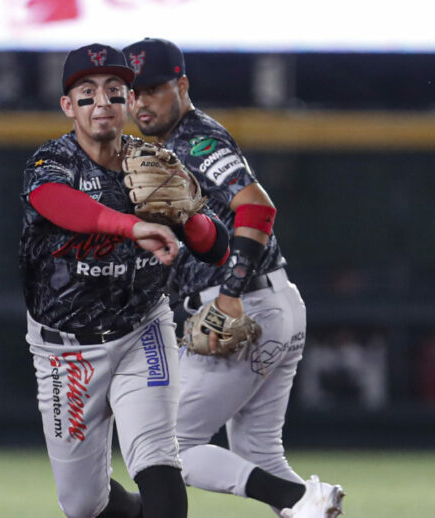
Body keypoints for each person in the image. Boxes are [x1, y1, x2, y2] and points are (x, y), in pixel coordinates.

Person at [122, 37, 345, 518]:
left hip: (246, 306)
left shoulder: (196, 139)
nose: (141, 102)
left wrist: (229, 295)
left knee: (166, 446)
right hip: (273, 303)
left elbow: (258, 207)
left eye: (154, 89)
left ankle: (297, 499)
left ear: (182, 85)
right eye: (133, 92)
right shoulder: (161, 148)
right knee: (259, 455)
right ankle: (309, 504)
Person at [20, 43, 230, 518]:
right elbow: (57, 203)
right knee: (83, 504)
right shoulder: (51, 162)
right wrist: (131, 224)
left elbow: (215, 247)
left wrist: (188, 213)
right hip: (64, 350)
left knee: (156, 455)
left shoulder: (154, 163)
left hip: (142, 331)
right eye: (87, 93)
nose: (102, 103)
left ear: (128, 103)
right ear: (67, 106)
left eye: (115, 92)